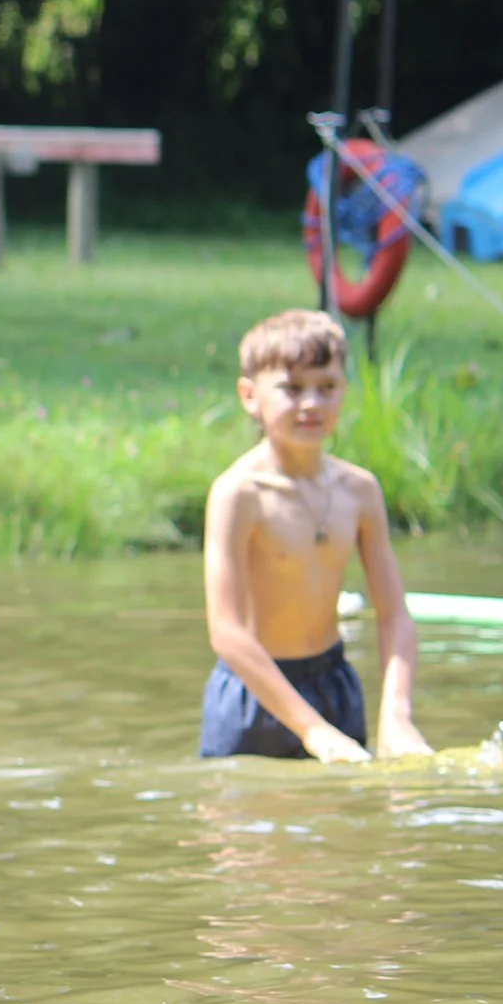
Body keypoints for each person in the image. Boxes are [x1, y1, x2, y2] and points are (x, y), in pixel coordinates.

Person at [200, 309, 432, 762]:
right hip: (254, 694)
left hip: (334, 686)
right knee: (247, 828)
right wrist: (311, 729)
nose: (311, 404)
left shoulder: (359, 490)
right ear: (250, 395)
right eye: (291, 388)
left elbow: (394, 615)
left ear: (344, 391)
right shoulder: (239, 494)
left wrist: (397, 714)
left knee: (343, 827)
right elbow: (226, 631)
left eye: (327, 387)